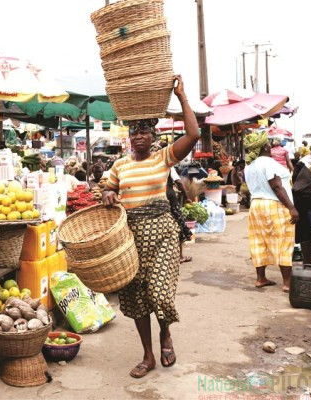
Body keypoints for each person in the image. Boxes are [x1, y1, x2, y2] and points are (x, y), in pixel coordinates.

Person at [101, 75, 200, 379]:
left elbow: (194, 134)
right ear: (129, 136)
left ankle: (165, 334)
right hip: (131, 238)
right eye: (135, 131)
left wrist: (182, 97)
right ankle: (147, 356)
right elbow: (106, 187)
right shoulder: (119, 165)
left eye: (145, 131)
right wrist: (107, 192)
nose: (140, 136)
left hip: (162, 234)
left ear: (153, 135)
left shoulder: (162, 158)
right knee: (136, 299)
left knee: (159, 293)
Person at [243, 131, 299, 292]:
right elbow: (276, 186)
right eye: (267, 144)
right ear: (264, 147)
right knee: (283, 241)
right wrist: (292, 207)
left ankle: (261, 278)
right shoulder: (269, 163)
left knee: (259, 240)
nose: (270, 146)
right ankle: (287, 282)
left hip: (256, 205)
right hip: (274, 205)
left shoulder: (249, 166)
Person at [292, 148, 311, 265]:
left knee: (305, 231)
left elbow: (294, 180)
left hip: (301, 200)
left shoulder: (302, 161)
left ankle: (307, 261)